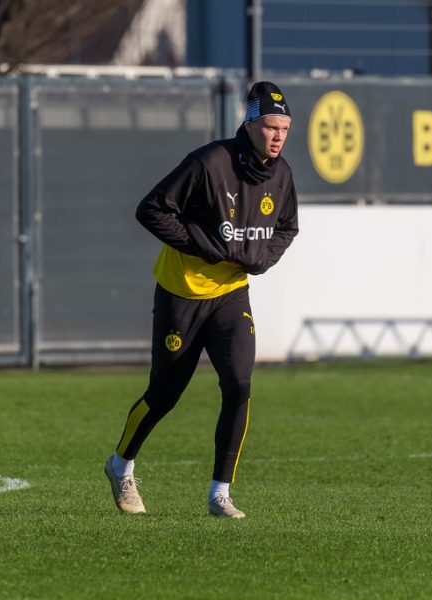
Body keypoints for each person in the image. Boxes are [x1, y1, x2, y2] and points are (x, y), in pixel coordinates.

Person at [104, 81, 298, 519]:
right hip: (182, 293)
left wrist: (263, 259)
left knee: (240, 384)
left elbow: (287, 227)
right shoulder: (209, 163)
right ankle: (121, 464)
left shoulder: (282, 174)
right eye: (270, 126)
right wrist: (201, 246)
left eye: (285, 128)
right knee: (165, 393)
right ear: (250, 125)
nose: (278, 136)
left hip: (230, 295)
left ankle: (219, 494)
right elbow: (151, 209)